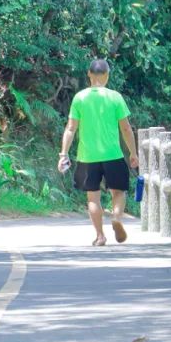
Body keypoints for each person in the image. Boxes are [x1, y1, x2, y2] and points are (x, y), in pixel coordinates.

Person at [57, 58, 138, 246]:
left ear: (89, 74)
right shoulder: (115, 97)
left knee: (92, 197)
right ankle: (116, 217)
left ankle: (100, 236)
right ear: (107, 75)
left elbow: (70, 128)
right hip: (113, 155)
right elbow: (126, 128)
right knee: (118, 192)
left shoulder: (80, 98)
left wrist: (64, 153)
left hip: (87, 157)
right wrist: (133, 153)